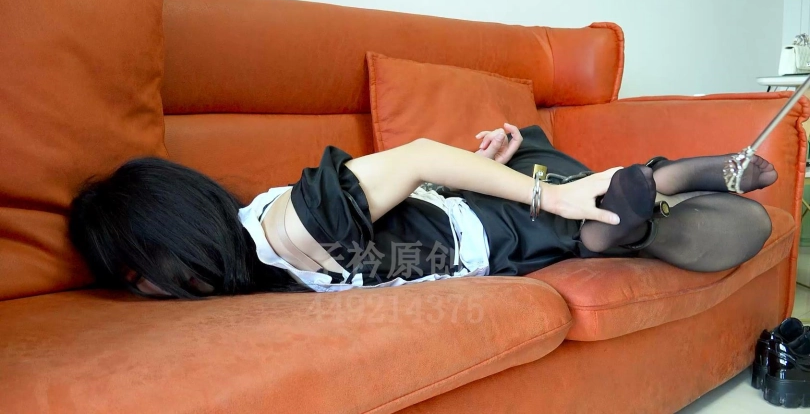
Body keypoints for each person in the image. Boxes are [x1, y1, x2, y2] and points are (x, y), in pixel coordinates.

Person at [68, 124, 775, 299]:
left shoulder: (288, 228)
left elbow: (417, 156)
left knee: (576, 216)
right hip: (473, 225)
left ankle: (629, 204)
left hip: (483, 227)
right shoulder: (258, 245)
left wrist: (547, 195)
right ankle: (647, 198)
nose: (144, 290)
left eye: (135, 271)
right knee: (598, 219)